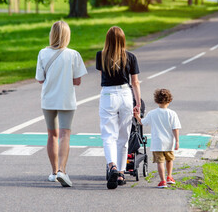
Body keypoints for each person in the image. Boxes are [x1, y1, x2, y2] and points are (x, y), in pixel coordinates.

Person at [35, 21, 87, 187]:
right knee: (65, 134)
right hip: (66, 99)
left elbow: (40, 79)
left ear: (52, 34)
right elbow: (77, 81)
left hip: (48, 99)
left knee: (52, 135)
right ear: (67, 35)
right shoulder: (73, 54)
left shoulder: (43, 53)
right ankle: (62, 171)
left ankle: (53, 171)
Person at [96, 26, 141, 189]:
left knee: (108, 135)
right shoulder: (130, 57)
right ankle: (121, 174)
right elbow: (135, 82)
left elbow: (103, 77)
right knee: (124, 136)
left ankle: (112, 166)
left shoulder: (100, 56)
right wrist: (138, 103)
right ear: (123, 40)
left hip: (108, 95)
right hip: (125, 95)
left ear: (107, 40)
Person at [135, 88, 181, 188]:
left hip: (157, 143)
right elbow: (175, 128)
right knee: (169, 160)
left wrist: (137, 116)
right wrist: (177, 141)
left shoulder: (152, 113)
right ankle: (169, 176)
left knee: (160, 162)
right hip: (169, 142)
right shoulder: (172, 114)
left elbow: (142, 122)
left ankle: (163, 181)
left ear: (156, 100)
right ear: (169, 100)